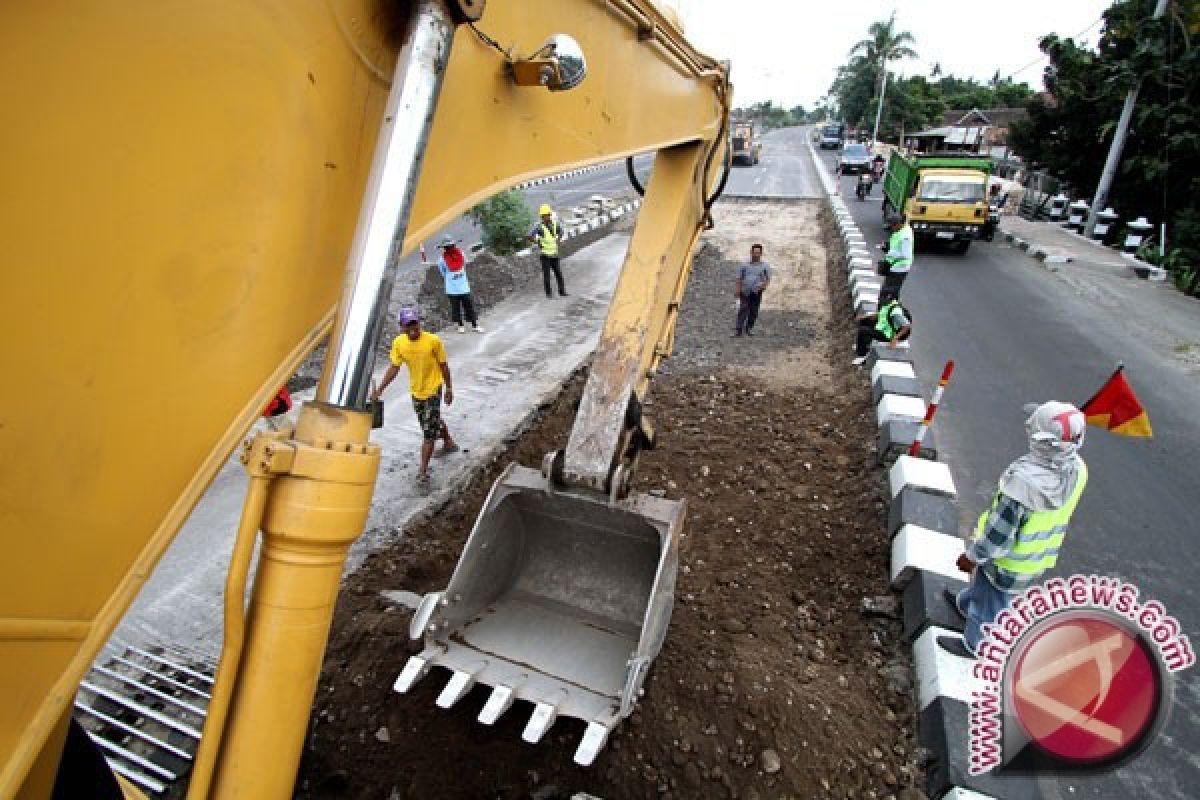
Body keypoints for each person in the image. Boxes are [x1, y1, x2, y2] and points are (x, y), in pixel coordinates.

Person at [938, 402, 1089, 659]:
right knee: (985, 588)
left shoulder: (1024, 484)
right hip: (1035, 558)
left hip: (1006, 560)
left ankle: (976, 645)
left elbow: (999, 536)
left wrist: (973, 557)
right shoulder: (1076, 470)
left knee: (992, 606)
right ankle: (965, 605)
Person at [373, 308, 458, 490]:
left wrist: (449, 388)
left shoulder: (433, 341)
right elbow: (394, 368)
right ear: (402, 327)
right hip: (416, 392)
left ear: (419, 323)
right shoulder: (399, 343)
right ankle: (449, 441)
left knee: (428, 433)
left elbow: (444, 366)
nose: (413, 328)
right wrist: (380, 388)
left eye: (415, 324)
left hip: (434, 389)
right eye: (408, 325)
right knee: (430, 423)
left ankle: (423, 471)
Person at [429, 235, 483, 333]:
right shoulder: (441, 260)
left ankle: (475, 325)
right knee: (456, 307)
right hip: (452, 288)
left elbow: (464, 264)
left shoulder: (461, 254)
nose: (450, 248)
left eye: (451, 245)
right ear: (444, 248)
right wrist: (451, 277)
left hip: (464, 286)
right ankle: (460, 325)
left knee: (469, 306)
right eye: (447, 246)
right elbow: (443, 272)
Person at [851, 289, 910, 366]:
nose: (879, 300)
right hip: (884, 327)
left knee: (863, 331)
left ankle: (862, 356)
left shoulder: (896, 312)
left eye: (881, 298)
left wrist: (895, 338)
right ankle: (863, 345)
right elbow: (880, 314)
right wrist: (864, 317)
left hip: (889, 334)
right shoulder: (888, 304)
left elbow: (906, 326)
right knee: (864, 321)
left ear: (888, 297)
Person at [529, 204, 567, 298]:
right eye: (545, 215)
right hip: (545, 255)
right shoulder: (539, 227)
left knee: (559, 274)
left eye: (548, 214)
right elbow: (529, 236)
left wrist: (558, 240)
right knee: (547, 276)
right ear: (542, 216)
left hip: (554, 254)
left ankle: (562, 292)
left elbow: (561, 231)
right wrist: (537, 242)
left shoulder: (555, 224)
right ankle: (549, 294)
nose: (547, 217)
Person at [733, 243, 771, 337]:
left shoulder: (765, 266)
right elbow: (739, 278)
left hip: (756, 292)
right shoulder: (744, 264)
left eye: (758, 253)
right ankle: (738, 330)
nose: (756, 254)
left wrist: (764, 286)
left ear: (761, 253)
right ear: (751, 252)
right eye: (754, 252)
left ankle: (749, 328)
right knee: (743, 309)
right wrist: (738, 289)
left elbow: (768, 278)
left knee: (754, 311)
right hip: (745, 290)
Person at [877, 212, 914, 297]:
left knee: (887, 294)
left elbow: (906, 254)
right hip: (894, 266)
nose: (891, 228)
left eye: (892, 226)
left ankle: (887, 309)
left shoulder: (905, 237)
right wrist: (887, 245)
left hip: (899, 268)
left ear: (898, 224)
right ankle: (889, 308)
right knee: (891, 293)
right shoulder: (901, 229)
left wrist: (890, 252)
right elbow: (897, 244)